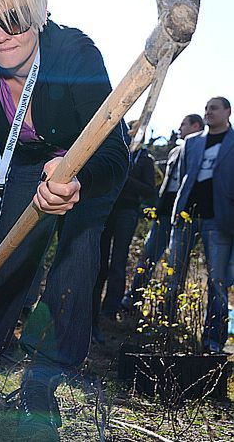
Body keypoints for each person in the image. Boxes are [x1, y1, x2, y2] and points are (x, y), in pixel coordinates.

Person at [0, 0, 129, 440]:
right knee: (8, 249)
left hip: (82, 163)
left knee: (81, 242)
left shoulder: (74, 53)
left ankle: (49, 372)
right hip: (25, 162)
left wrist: (77, 181)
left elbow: (115, 151)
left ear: (39, 11)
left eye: (12, 18)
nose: (0, 35)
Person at [167, 97, 234, 353]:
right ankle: (165, 331)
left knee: (217, 282)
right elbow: (185, 177)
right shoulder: (192, 143)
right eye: (206, 108)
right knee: (174, 275)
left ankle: (213, 341)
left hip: (219, 220)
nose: (208, 112)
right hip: (186, 218)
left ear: (227, 111)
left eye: (214, 108)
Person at [122, 114, 204, 310]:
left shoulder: (202, 150)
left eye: (183, 123)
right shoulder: (175, 151)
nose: (179, 127)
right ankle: (132, 300)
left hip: (186, 215)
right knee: (147, 256)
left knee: (176, 264)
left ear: (196, 126)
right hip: (165, 213)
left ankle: (167, 311)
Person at [92, 124, 155, 343]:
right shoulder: (115, 151)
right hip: (107, 209)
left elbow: (149, 190)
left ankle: (109, 310)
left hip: (127, 212)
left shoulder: (145, 160)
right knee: (99, 261)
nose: (133, 136)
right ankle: (91, 309)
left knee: (118, 262)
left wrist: (126, 179)